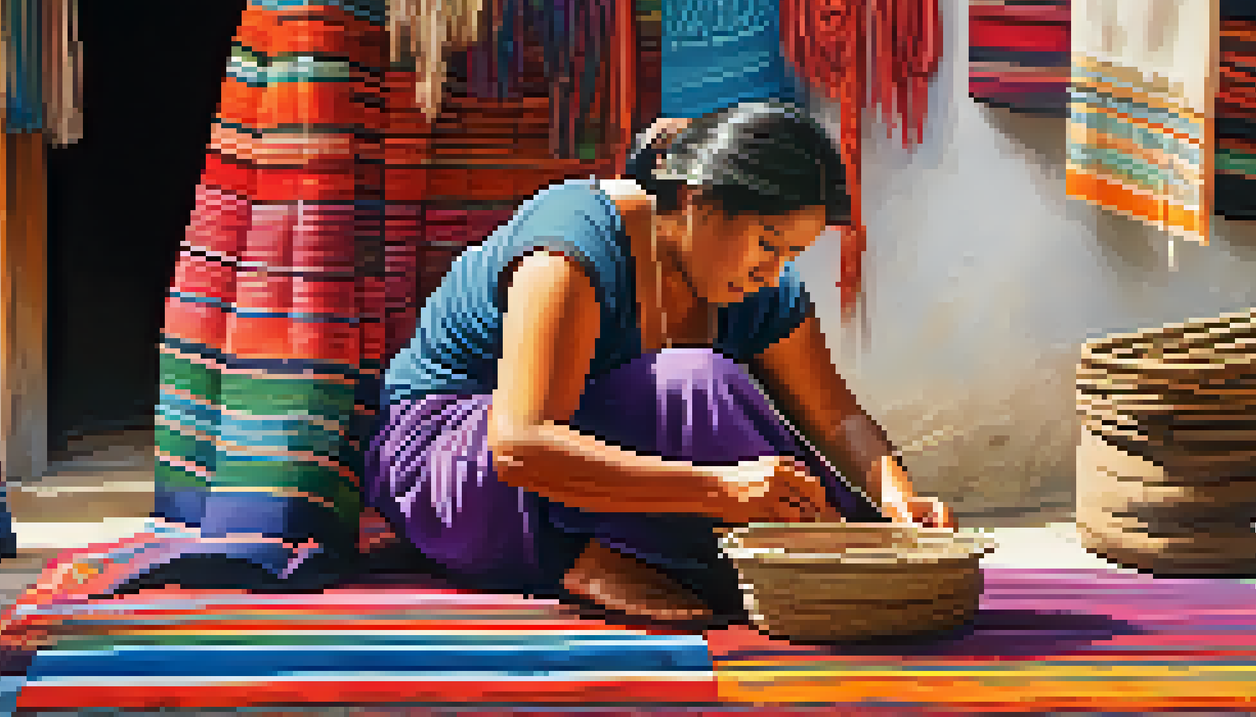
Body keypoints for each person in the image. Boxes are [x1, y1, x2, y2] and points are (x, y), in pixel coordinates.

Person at [367, 100, 954, 624]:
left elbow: (836, 417)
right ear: (697, 202)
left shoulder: (756, 289)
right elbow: (520, 443)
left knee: (775, 481)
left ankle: (625, 554)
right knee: (697, 387)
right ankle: (582, 556)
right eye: (768, 244)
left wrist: (898, 498)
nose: (772, 272)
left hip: (586, 480)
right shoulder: (574, 242)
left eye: (793, 254)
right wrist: (720, 490)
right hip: (454, 475)